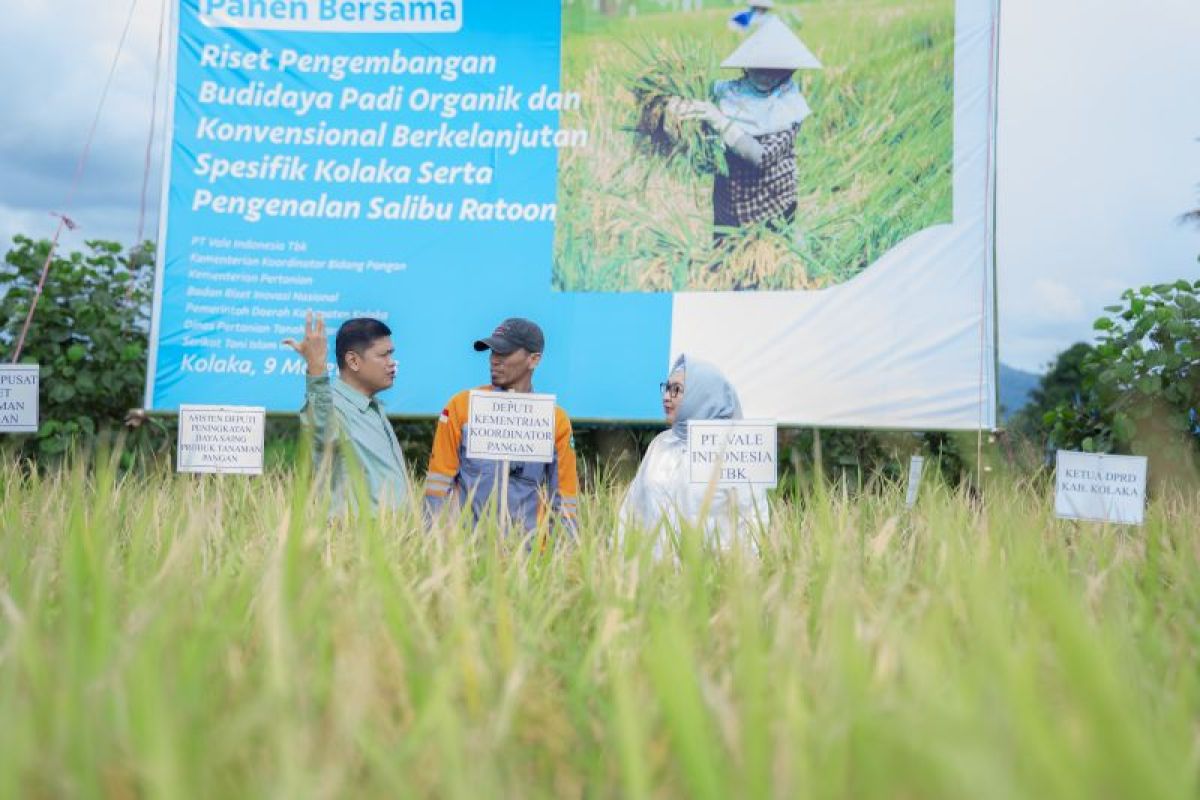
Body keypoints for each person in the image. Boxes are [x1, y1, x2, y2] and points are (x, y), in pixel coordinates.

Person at [668, 16, 821, 240]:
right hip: (728, 200)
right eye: (759, 68)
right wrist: (678, 108)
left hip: (771, 204)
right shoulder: (730, 92)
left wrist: (718, 119)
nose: (766, 76)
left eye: (776, 70)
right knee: (726, 263)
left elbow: (760, 156)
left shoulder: (789, 107)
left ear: (789, 71)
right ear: (746, 65)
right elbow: (696, 116)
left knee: (768, 264)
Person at [424, 318, 579, 536]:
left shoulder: (555, 420)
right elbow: (438, 485)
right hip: (466, 552)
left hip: (528, 554)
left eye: (504, 353)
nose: (494, 360)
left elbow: (565, 500)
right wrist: (430, 545)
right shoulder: (460, 407)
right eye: (492, 352)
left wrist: (569, 558)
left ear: (534, 360)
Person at [619, 354, 768, 553]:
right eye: (666, 388)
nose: (666, 397)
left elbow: (753, 522)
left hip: (710, 579)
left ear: (702, 394)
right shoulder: (660, 444)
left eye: (676, 390)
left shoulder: (734, 448)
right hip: (653, 579)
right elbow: (632, 510)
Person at [284, 312, 409, 514]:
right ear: (353, 361)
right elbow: (321, 429)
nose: (392, 362)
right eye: (383, 355)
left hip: (395, 538)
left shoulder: (374, 408)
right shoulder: (335, 407)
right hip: (359, 541)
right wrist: (316, 367)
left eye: (391, 354)